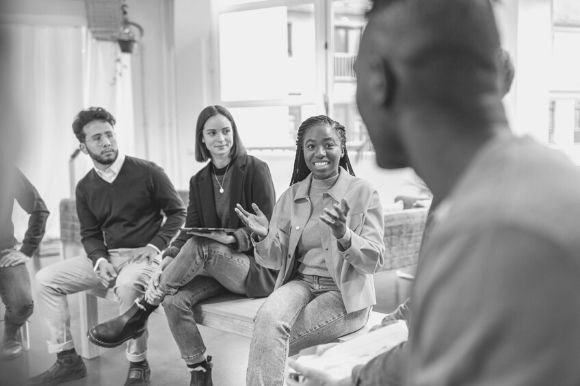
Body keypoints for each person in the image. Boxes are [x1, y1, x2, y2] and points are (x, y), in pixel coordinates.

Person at [291, 0, 580, 385]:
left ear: (379, 81)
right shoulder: (531, 181)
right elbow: (437, 341)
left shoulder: (495, 231)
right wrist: (357, 373)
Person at [86, 105, 278, 386]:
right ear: (202, 139)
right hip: (213, 267)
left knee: (202, 246)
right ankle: (199, 370)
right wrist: (169, 256)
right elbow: (190, 228)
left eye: (226, 131)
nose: (221, 138)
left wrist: (233, 238)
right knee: (174, 299)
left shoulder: (255, 169)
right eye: (212, 133)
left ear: (234, 133)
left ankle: (140, 311)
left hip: (251, 268)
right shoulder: (199, 180)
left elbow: (268, 230)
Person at [29, 107, 186, 386]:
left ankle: (138, 364)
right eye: (97, 138)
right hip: (110, 257)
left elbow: (177, 213)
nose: (106, 142)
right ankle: (67, 359)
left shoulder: (148, 172)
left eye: (109, 135)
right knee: (44, 279)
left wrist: (156, 245)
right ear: (83, 145)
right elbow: (89, 233)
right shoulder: (85, 187)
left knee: (126, 287)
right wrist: (99, 261)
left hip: (143, 257)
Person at [235, 115, 385, 386]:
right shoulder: (292, 195)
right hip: (301, 284)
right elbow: (274, 259)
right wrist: (262, 236)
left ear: (342, 148)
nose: (320, 153)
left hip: (344, 294)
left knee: (271, 338)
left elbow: (374, 261)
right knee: (268, 320)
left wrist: (344, 235)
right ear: (302, 152)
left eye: (328, 144)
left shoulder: (364, 192)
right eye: (311, 146)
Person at [0, 167, 49, 360]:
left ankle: (11, 334)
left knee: (22, 303)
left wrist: (27, 249)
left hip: (3, 251)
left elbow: (39, 209)